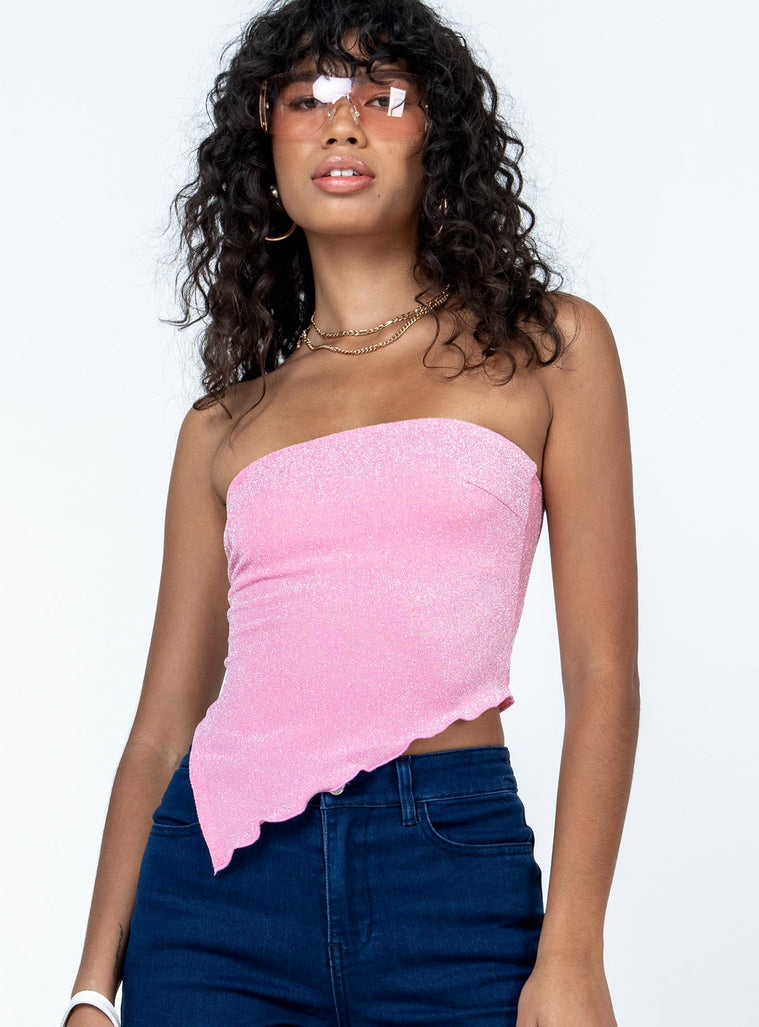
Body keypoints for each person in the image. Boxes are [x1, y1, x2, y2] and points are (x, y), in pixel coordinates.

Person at [61, 0, 639, 1024]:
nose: (342, 122)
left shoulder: (547, 350)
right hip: (215, 896)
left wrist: (573, 952)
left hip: (450, 879)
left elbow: (603, 676)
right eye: (308, 98)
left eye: (383, 96)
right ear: (266, 148)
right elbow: (160, 730)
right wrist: (91, 991)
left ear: (436, 139)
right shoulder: (223, 426)